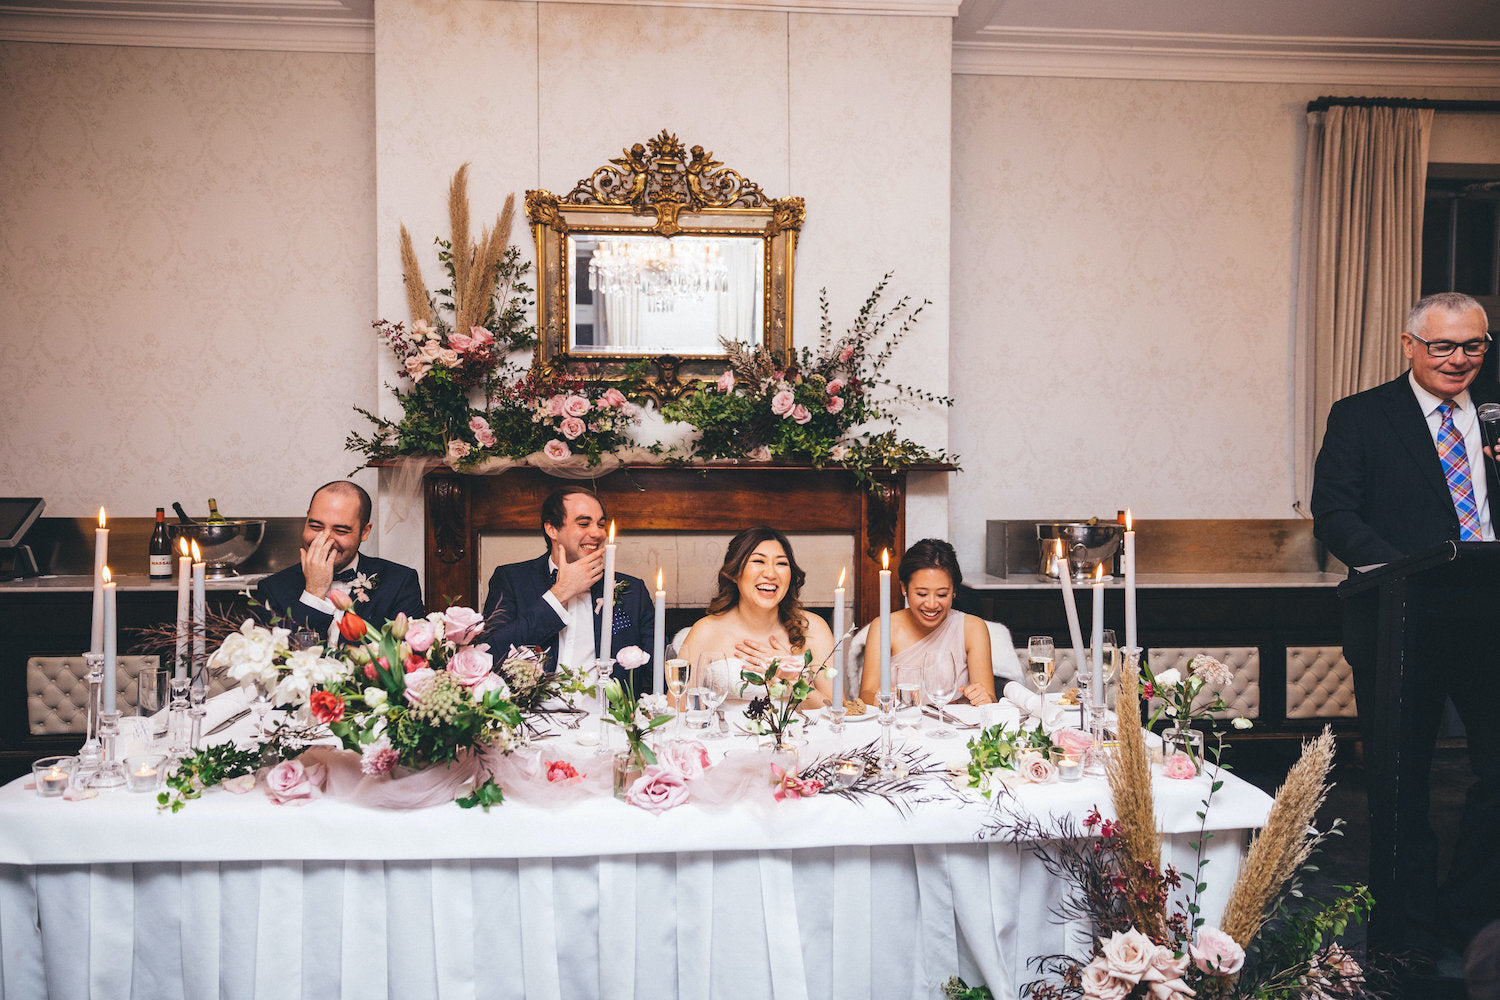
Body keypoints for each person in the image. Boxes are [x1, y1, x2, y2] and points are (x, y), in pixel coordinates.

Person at [1311, 291, 1500, 960]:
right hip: (1402, 619)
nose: (1459, 359)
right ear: (1409, 345)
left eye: (1472, 345)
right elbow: (1335, 514)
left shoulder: (1495, 412)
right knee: (1401, 785)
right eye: (1442, 345)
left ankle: (1471, 915)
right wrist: (1415, 570)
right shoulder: (1362, 416)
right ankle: (1406, 934)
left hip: (1490, 622)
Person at [480, 487, 654, 692]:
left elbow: (658, 666)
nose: (597, 533)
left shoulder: (632, 591)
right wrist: (560, 593)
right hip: (533, 719)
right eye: (584, 523)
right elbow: (489, 655)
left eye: (600, 524)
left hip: (609, 718)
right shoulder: (512, 579)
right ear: (552, 529)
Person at [677, 526, 836, 707]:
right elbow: (676, 712)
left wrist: (793, 677)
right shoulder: (705, 631)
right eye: (759, 561)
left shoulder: (813, 628)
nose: (770, 573)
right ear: (735, 573)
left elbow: (836, 712)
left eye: (781, 564)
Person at [257, 481, 425, 636]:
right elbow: (284, 660)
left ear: (364, 531)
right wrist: (314, 592)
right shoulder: (272, 589)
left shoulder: (400, 583)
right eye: (315, 526)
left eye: (341, 531)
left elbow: (406, 660)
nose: (325, 540)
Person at [856, 538, 996, 706]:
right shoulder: (884, 627)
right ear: (904, 588)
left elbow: (990, 699)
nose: (931, 604)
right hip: (900, 726)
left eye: (942, 594)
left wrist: (983, 697)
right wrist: (880, 698)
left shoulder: (972, 628)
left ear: (954, 592)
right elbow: (865, 694)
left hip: (953, 728)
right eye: (922, 594)